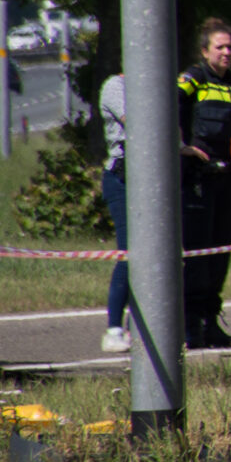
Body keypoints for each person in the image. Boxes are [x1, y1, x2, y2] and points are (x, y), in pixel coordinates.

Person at [177, 18, 231, 349]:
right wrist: (181, 145)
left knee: (220, 255)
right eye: (220, 47)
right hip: (197, 180)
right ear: (205, 51)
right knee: (197, 255)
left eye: (230, 47)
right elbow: (166, 104)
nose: (227, 53)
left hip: (226, 179)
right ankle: (190, 325)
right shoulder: (193, 79)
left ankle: (210, 322)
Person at [98, 67, 132, 354]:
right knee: (129, 253)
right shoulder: (115, 86)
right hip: (121, 179)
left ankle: (139, 326)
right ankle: (114, 330)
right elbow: (136, 122)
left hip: (151, 182)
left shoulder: (157, 86)